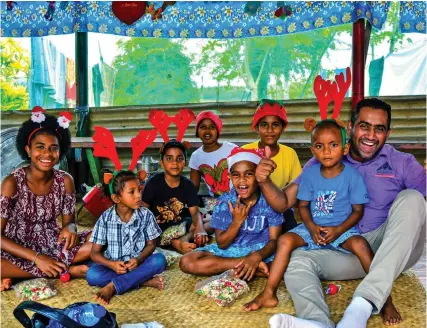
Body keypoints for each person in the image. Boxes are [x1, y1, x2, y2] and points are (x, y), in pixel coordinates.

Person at [254, 98, 426, 327]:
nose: (371, 136)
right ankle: (316, 322)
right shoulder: (322, 161)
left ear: (388, 133)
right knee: (296, 259)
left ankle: (362, 306)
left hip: (391, 245)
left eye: (379, 129)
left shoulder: (402, 162)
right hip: (345, 248)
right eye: (364, 126)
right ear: (350, 127)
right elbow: (284, 202)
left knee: (413, 199)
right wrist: (263, 181)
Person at [244, 120, 380, 314]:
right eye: (319, 146)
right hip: (312, 227)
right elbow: (303, 206)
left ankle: (381, 297)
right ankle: (269, 293)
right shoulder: (309, 175)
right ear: (313, 150)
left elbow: (358, 211)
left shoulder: (352, 177)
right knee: (285, 240)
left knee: (360, 245)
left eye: (333, 145)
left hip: (341, 228)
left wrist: (338, 230)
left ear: (345, 148)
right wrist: (310, 227)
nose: (326, 151)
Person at [0, 109, 92, 291]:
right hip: (16, 246)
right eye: (40, 147)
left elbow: (69, 223)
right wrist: (37, 258)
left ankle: (33, 271)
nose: (47, 154)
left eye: (53, 148)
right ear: (28, 150)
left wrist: (70, 229)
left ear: (60, 150)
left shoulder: (65, 181)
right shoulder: (12, 182)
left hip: (51, 242)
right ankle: (64, 270)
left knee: (99, 238)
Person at [179, 147, 283, 281]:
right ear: (229, 177)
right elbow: (222, 244)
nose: (242, 181)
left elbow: (274, 240)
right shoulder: (224, 202)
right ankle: (252, 268)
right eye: (236, 175)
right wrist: (237, 222)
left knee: (289, 263)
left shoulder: (269, 200)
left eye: (249, 174)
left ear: (258, 176)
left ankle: (253, 266)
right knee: (187, 261)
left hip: (261, 251)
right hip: (230, 253)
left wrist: (257, 256)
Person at [86, 170, 166, 305]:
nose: (138, 195)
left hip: (139, 263)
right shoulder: (105, 218)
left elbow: (152, 244)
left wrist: (139, 259)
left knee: (159, 260)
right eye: (132, 192)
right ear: (116, 198)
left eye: (139, 190)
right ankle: (143, 281)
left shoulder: (145, 214)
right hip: (115, 267)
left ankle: (113, 286)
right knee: (92, 275)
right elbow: (94, 253)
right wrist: (111, 264)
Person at [242, 99, 302, 232]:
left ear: (283, 127)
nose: (270, 130)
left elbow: (297, 190)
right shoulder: (245, 151)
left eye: (275, 125)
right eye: (264, 125)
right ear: (257, 127)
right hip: (250, 207)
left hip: (280, 208)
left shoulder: (290, 154)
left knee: (291, 235)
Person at [142, 139, 209, 254]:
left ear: (185, 162)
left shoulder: (188, 185)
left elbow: (194, 212)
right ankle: (176, 242)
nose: (175, 163)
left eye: (179, 158)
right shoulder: (153, 183)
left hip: (180, 226)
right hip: (158, 231)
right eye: (169, 158)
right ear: (161, 163)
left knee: (210, 221)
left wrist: (200, 230)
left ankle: (183, 239)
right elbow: (143, 211)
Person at [189, 110, 236, 197]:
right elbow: (193, 188)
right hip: (216, 204)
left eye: (212, 127)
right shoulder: (195, 157)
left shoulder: (232, 149)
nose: (207, 131)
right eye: (203, 127)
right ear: (197, 131)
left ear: (218, 131)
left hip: (238, 199)